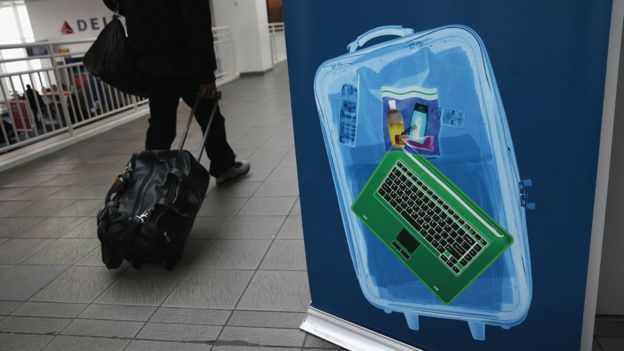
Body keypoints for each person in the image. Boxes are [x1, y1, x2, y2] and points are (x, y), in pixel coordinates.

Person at [103, 0, 250, 184]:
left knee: (161, 126)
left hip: (151, 65)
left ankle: (150, 178)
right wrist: (206, 74)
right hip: (187, 64)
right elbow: (197, 24)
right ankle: (223, 166)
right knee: (209, 116)